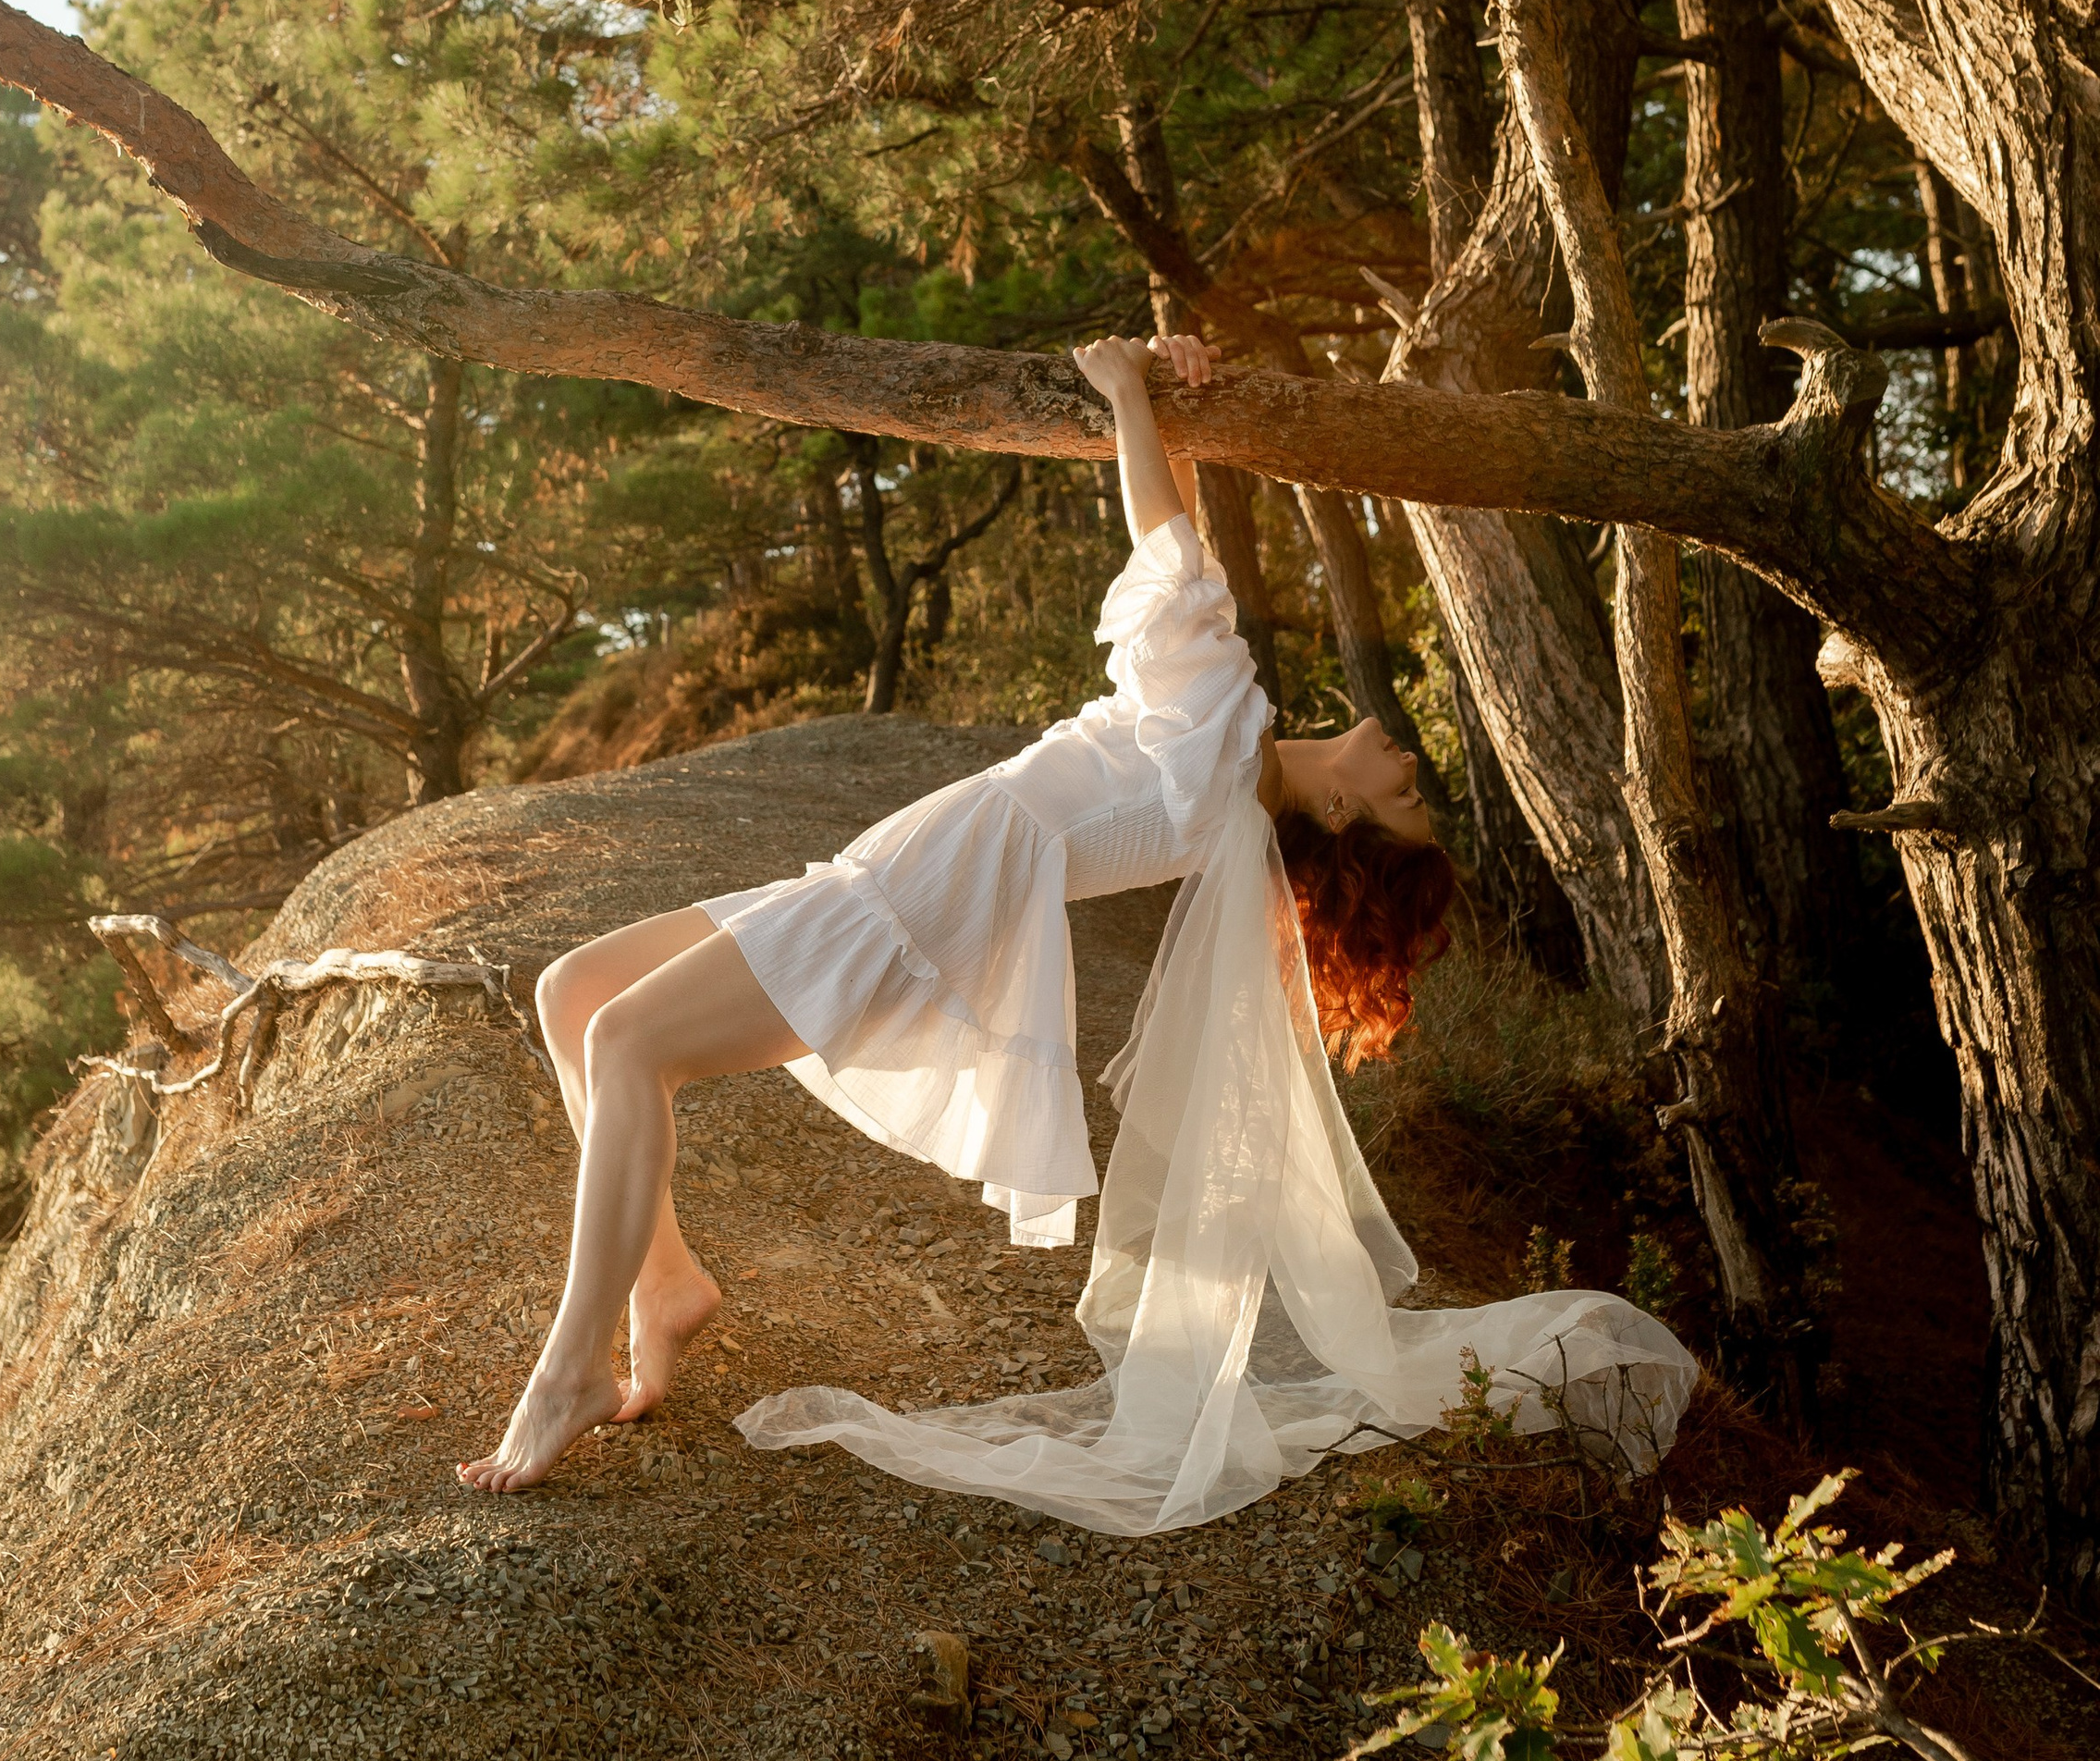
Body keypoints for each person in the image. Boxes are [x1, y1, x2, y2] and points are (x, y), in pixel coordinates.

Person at [459, 332, 1693, 1528]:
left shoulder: (1227, 765)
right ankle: (667, 1284)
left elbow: (1173, 561)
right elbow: (1185, 582)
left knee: (626, 1042)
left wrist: (1125, 394)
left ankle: (572, 1369)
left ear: (1335, 812)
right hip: (885, 881)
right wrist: (1171, 395)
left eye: (1404, 799)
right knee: (575, 991)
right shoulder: (1223, 747)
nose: (1411, 759)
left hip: (909, 912)